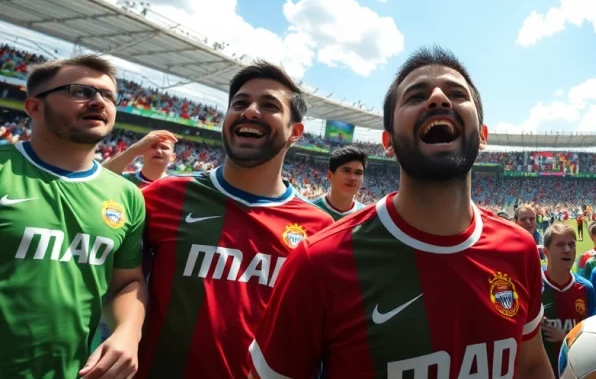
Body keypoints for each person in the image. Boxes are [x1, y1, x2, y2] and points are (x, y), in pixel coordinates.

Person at [248, 46, 552, 379]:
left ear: (481, 137)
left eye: (456, 93)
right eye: (415, 95)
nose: (438, 98)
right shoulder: (318, 263)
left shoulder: (519, 249)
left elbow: (532, 364)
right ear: (388, 141)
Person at [138, 61, 334, 379]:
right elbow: (122, 283)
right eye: (240, 103)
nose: (250, 112)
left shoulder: (320, 229)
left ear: (295, 133)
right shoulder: (163, 196)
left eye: (269, 105)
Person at [0, 55, 146, 379]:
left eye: (108, 95)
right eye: (80, 91)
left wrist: (128, 331)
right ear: (34, 108)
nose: (98, 101)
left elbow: (127, 281)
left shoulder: (126, 195)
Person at [541, 223, 596, 373]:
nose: (567, 250)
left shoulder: (585, 288)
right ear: (545, 252)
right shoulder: (532, 285)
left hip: (575, 371)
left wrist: (565, 337)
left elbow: (593, 337)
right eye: (560, 245)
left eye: (571, 244)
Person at [102, 129, 177, 187]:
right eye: (153, 147)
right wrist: (133, 150)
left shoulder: (177, 186)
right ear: (142, 151)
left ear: (173, 157)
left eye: (164, 148)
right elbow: (99, 176)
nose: (158, 151)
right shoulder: (123, 179)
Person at [311, 145, 367, 220]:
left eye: (358, 173)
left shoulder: (366, 216)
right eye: (346, 171)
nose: (352, 178)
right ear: (330, 176)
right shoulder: (310, 210)